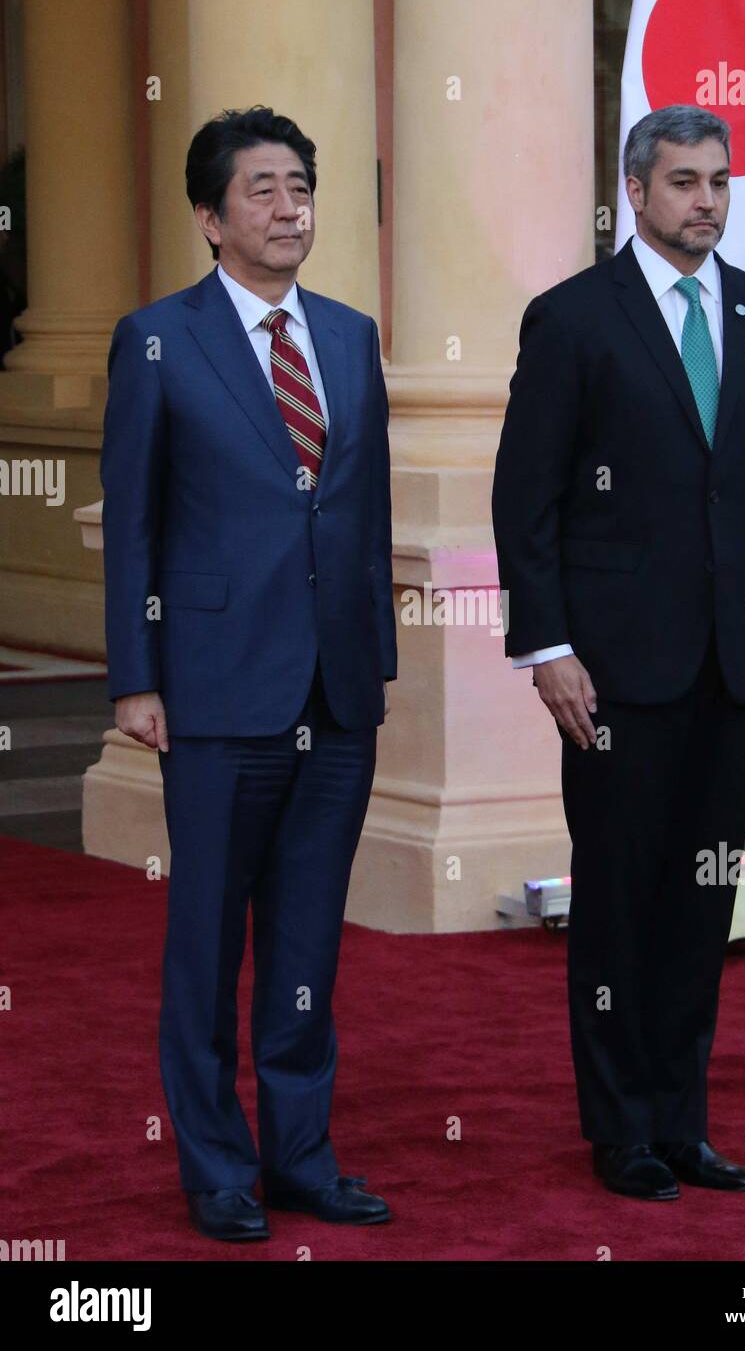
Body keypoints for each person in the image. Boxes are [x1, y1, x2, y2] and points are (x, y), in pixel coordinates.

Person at [492, 105, 745, 1201]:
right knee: (621, 902)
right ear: (634, 193)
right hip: (613, 674)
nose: (706, 201)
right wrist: (545, 646)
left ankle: (682, 1122)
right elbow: (525, 501)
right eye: (683, 182)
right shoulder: (573, 320)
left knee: (699, 902)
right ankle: (620, 1128)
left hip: (736, 670)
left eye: (719, 181)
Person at [100, 106, 396, 1239]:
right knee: (207, 939)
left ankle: (301, 1155)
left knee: (310, 939)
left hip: (337, 690)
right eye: (262, 190)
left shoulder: (352, 333)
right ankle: (215, 1168)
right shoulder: (159, 338)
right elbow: (134, 523)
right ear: (209, 217)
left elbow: (356, 517)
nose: (288, 208)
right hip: (217, 686)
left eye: (301, 188)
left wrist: (375, 653)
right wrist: (138, 673)